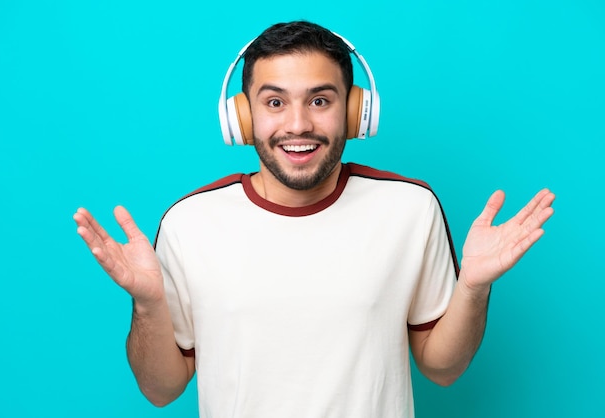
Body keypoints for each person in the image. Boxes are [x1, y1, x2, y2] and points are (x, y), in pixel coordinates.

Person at [74, 21, 555, 418]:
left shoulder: (410, 207)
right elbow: (161, 390)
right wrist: (147, 303)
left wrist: (473, 287)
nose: (298, 124)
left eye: (320, 100)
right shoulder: (189, 223)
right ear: (242, 117)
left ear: (353, 112)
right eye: (275, 102)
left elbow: (443, 368)